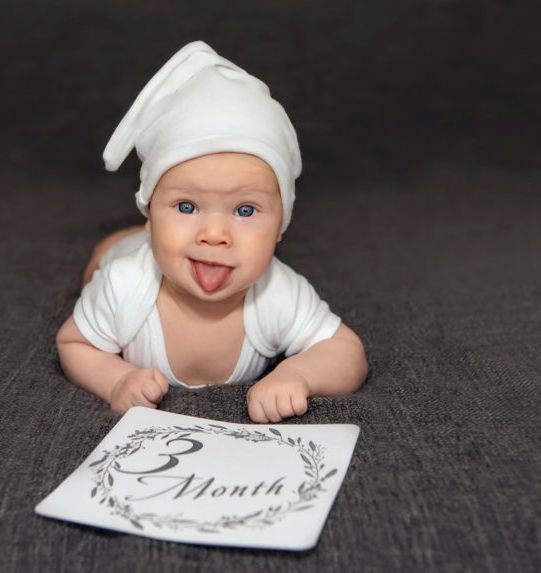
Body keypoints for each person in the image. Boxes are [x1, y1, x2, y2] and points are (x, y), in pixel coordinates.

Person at [56, 41, 367, 423]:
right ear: (151, 211)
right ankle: (124, 239)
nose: (215, 234)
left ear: (280, 228)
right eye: (187, 206)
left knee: (159, 245)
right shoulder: (124, 285)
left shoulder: (276, 292)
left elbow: (345, 350)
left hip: (162, 243)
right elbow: (74, 342)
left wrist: (298, 375)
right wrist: (116, 379)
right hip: (131, 255)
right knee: (107, 258)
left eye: (245, 210)